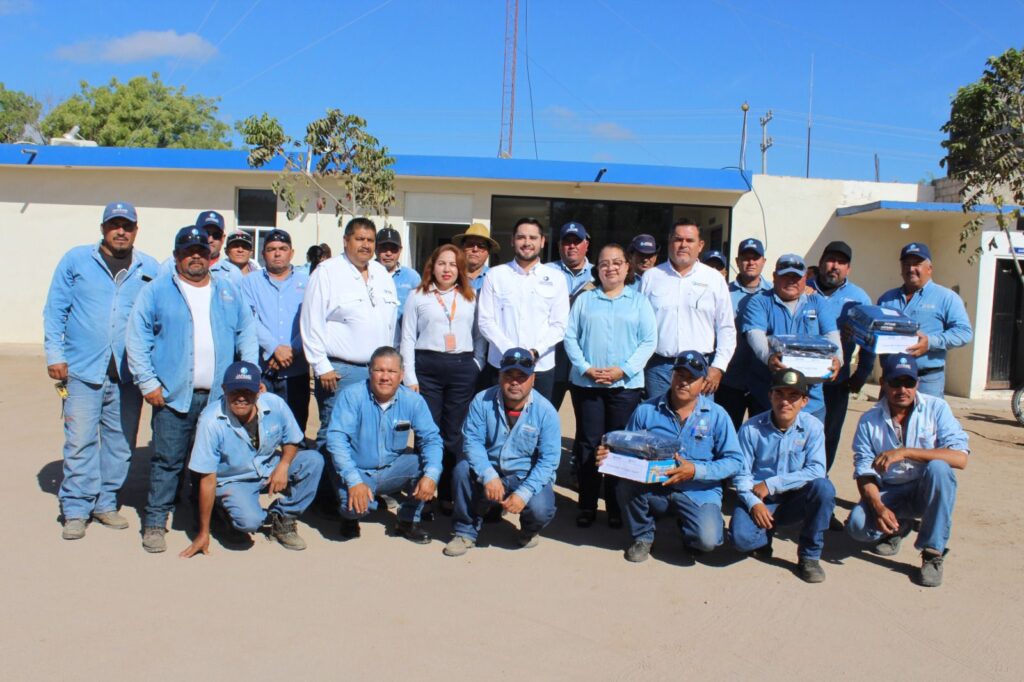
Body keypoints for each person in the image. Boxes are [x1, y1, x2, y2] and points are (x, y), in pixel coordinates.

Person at [127, 225, 258, 553]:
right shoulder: (157, 291)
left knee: (216, 463)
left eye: (201, 251)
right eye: (188, 252)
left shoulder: (227, 290)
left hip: (218, 398)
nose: (195, 257)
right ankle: (155, 521)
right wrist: (148, 382)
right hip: (172, 396)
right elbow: (137, 338)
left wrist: (249, 375)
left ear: (210, 256)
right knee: (167, 461)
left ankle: (213, 519)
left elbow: (246, 332)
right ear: (177, 256)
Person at [43, 201, 159, 540]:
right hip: (82, 369)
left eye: (127, 226)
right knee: (80, 442)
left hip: (127, 375)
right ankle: (76, 509)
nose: (120, 231)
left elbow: (157, 318)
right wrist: (55, 354)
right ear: (103, 228)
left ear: (136, 230)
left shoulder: (149, 267)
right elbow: (55, 310)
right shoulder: (77, 260)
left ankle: (105, 502)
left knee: (120, 444)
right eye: (114, 225)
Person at [597, 351, 742, 563]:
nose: (684, 382)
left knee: (707, 540)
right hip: (655, 486)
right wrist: (609, 456)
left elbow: (735, 461)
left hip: (698, 491)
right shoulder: (646, 410)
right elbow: (626, 449)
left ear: (703, 383)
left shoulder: (717, 416)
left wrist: (695, 470)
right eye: (680, 375)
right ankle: (643, 535)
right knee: (625, 484)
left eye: (691, 378)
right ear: (672, 376)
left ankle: (689, 530)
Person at [846, 354, 969, 587]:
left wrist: (905, 452)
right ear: (883, 383)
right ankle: (896, 527)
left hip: (925, 488)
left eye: (909, 383)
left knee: (940, 468)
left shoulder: (936, 408)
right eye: (895, 382)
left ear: (917, 383)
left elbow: (960, 458)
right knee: (857, 527)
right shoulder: (869, 420)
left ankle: (932, 553)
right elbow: (864, 471)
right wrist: (879, 507)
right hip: (890, 489)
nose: (902, 390)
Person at [180, 362, 324, 556]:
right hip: (233, 479)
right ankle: (221, 511)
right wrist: (203, 532)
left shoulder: (274, 404)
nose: (241, 397)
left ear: (259, 391)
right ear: (224, 389)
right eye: (235, 391)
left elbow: (292, 439)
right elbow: (207, 478)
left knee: (313, 461)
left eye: (248, 391)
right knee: (250, 522)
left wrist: (283, 465)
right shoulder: (210, 421)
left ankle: (284, 517)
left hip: (268, 467)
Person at [564, 243, 656, 528]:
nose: (611, 268)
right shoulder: (585, 300)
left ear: (628, 267)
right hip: (587, 385)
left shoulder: (639, 302)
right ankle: (587, 504)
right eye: (604, 263)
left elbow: (649, 341)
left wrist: (623, 370)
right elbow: (570, 337)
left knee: (620, 445)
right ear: (597, 269)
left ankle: (616, 506)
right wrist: (585, 368)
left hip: (625, 387)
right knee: (589, 444)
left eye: (617, 262)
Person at [443, 348, 561, 557]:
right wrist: (488, 475)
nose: (514, 382)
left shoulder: (546, 412)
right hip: (490, 469)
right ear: (500, 376)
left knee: (541, 508)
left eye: (522, 376)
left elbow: (548, 461)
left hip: (524, 475)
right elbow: (472, 443)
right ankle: (465, 531)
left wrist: (524, 493)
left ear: (533, 379)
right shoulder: (481, 401)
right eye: (509, 375)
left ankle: (529, 529)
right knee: (462, 470)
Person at [325, 347, 442, 543]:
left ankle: (408, 521)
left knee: (427, 466)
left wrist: (431, 475)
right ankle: (350, 518)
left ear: (401, 375)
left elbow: (431, 439)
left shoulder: (413, 401)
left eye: (392, 371)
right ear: (370, 371)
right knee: (355, 508)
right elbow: (336, 440)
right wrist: (354, 481)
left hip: (392, 469)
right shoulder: (352, 396)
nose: (385, 377)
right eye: (379, 370)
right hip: (357, 470)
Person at [400, 244, 485, 513]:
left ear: (460, 269)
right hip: (427, 369)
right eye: (441, 263)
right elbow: (407, 337)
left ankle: (447, 492)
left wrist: (477, 364)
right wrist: (410, 376)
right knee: (427, 431)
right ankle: (423, 493)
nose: (447, 269)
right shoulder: (418, 296)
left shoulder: (471, 297)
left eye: (452, 264)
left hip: (462, 368)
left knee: (454, 434)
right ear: (432, 267)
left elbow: (480, 334)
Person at [301, 217, 399, 449]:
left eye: (370, 240)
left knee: (370, 432)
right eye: (360, 239)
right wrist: (321, 366)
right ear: (346, 241)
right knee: (335, 433)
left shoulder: (382, 274)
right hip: (340, 372)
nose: (365, 245)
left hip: (377, 371)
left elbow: (391, 324)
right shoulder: (327, 272)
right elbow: (311, 322)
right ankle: (327, 474)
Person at [730, 368, 835, 583]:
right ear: (770, 395)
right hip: (761, 499)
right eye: (779, 394)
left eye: (793, 396)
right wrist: (754, 504)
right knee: (741, 540)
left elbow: (817, 470)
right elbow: (741, 475)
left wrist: (771, 484)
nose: (785, 402)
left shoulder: (813, 427)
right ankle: (764, 535)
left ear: (804, 401)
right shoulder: (751, 428)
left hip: (795, 498)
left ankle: (809, 556)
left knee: (824, 488)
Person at [640, 220, 735, 400]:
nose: (683, 245)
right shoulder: (651, 277)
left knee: (698, 418)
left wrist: (718, 367)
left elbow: (726, 328)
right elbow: (639, 325)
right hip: (658, 368)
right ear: (670, 242)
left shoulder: (714, 279)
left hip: (699, 368)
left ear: (700, 245)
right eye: (678, 239)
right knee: (658, 416)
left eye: (689, 240)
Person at [741, 253, 841, 423]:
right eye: (785, 276)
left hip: (811, 402)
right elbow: (754, 334)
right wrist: (768, 357)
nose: (791, 281)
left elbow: (831, 334)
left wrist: (838, 359)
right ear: (774, 277)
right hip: (769, 400)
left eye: (796, 277)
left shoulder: (818, 302)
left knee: (811, 439)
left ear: (805, 278)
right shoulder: (759, 301)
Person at [478, 217, 569, 402]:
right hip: (501, 364)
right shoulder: (495, 275)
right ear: (512, 240)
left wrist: (535, 352)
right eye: (521, 237)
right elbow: (485, 321)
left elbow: (559, 325)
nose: (527, 242)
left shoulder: (557, 278)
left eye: (533, 238)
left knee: (537, 418)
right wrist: (510, 352)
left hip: (540, 367)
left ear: (542, 241)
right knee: (497, 416)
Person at [807, 241, 874, 474]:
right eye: (830, 260)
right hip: (802, 380)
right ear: (821, 262)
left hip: (836, 383)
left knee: (829, 435)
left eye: (841, 262)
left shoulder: (859, 298)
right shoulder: (802, 288)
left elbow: (869, 341)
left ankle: (819, 480)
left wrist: (861, 374)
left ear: (849, 269)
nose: (835, 266)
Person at [876, 242, 973, 398]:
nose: (911, 268)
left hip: (927, 381)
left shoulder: (946, 297)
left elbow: (964, 332)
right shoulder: (887, 299)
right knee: (886, 415)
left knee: (927, 415)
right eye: (906, 264)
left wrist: (930, 342)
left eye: (917, 264)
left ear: (930, 268)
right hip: (892, 380)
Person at [240, 228, 311, 433]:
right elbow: (249, 320)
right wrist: (273, 348)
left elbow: (311, 321)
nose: (277, 253)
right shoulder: (250, 282)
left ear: (292, 253)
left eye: (282, 248)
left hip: (297, 369)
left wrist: (292, 349)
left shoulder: (307, 282)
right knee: (261, 430)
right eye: (271, 249)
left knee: (295, 431)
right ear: (263, 254)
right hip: (264, 371)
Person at [717, 237, 773, 429]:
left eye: (755, 258)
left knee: (763, 434)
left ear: (763, 261)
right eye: (745, 258)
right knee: (727, 432)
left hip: (764, 380)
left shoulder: (774, 294)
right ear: (737, 261)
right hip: (730, 379)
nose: (750, 262)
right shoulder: (724, 292)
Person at [550, 221, 594, 410]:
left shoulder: (600, 273)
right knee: (546, 410)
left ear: (586, 244)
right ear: (560, 245)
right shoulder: (545, 272)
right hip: (553, 352)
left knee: (587, 416)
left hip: (585, 354)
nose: (572, 246)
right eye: (567, 241)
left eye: (577, 241)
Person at [375, 227, 421, 334]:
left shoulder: (412, 277)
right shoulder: (366, 273)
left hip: (401, 339)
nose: (389, 253)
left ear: (400, 250)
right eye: (384, 248)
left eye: (394, 249)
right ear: (376, 249)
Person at [451, 222, 499, 293]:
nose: (475, 249)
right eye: (470, 244)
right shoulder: (451, 274)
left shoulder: (495, 277)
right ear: (462, 248)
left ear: (488, 252)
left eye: (481, 246)